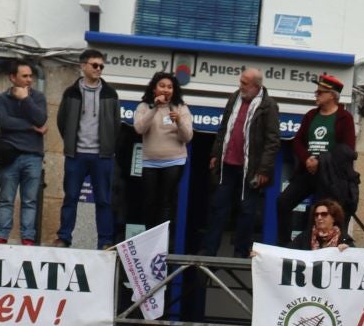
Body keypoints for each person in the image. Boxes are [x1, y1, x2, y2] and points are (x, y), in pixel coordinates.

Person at [197, 67, 280, 258]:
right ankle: (209, 250)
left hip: (250, 169)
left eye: (244, 83)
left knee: (247, 211)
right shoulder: (235, 98)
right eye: (241, 81)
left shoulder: (268, 106)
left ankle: (241, 252)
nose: (240, 86)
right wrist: (215, 154)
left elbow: (272, 141)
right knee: (218, 207)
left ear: (256, 86)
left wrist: (264, 170)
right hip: (227, 164)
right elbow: (223, 128)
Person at [276, 74, 357, 244]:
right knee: (283, 202)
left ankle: (318, 247)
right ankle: (284, 245)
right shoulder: (311, 115)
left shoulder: (345, 118)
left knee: (319, 213)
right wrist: (307, 159)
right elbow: (297, 141)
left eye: (320, 92)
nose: (316, 95)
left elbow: (347, 149)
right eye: (317, 92)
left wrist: (320, 160)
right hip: (308, 171)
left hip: (329, 176)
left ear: (332, 95)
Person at [55, 50, 121, 248]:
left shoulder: (110, 93)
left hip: (102, 156)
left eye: (101, 66)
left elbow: (116, 124)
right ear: (83, 66)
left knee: (103, 200)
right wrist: (70, 144)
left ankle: (105, 241)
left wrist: (108, 145)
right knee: (71, 198)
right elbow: (62, 121)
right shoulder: (71, 92)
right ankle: (64, 237)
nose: (99, 69)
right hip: (76, 155)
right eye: (95, 65)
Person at [290, 198, 352, 326]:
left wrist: (348, 252)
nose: (319, 218)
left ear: (334, 218)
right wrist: (262, 254)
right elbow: (285, 255)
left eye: (324, 214)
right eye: (316, 215)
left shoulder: (346, 241)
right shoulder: (304, 239)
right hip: (306, 301)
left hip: (332, 303)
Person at [0, 60, 48, 245]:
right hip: (10, 155)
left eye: (31, 76)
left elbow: (41, 118)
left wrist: (25, 99)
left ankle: (28, 238)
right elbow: (4, 122)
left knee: (30, 200)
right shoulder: (1, 99)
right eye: (24, 76)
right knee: (6, 199)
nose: (29, 80)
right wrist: (31, 126)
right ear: (12, 77)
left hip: (33, 156)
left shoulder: (37, 98)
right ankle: (1, 235)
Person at [133, 71, 193, 243]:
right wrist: (154, 108)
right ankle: (149, 240)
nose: (166, 90)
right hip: (150, 162)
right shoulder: (144, 107)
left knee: (166, 201)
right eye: (162, 86)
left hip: (174, 160)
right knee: (149, 201)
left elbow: (187, 137)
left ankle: (163, 240)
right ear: (154, 88)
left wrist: (179, 121)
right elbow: (139, 129)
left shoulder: (181, 108)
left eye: (169, 87)